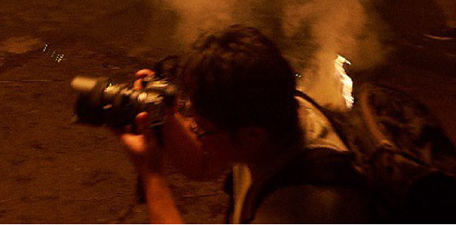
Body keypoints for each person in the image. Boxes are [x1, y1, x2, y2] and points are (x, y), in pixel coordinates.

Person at [115, 26, 369, 224]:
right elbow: (204, 165)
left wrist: (151, 175)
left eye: (202, 128)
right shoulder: (277, 107)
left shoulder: (303, 207)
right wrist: (164, 116)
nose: (193, 129)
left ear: (252, 135)